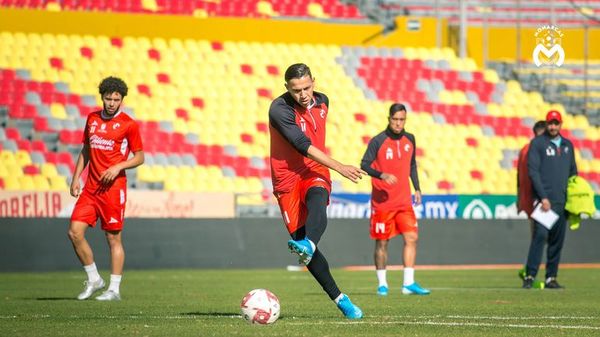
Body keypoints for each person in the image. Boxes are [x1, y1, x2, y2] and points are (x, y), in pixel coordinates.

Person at [269, 63, 365, 319]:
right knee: (303, 245)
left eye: (306, 87)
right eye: (296, 89)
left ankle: (309, 244)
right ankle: (340, 298)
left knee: (318, 198)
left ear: (314, 82)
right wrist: (340, 167)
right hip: (286, 180)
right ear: (286, 88)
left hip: (314, 169)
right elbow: (301, 143)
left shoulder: (323, 102)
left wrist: (331, 168)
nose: (302, 94)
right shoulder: (278, 109)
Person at [68, 76, 144, 301]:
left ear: (122, 100)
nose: (111, 103)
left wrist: (119, 165)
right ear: (102, 97)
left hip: (113, 189)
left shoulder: (129, 124)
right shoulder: (91, 119)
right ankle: (93, 278)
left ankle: (114, 289)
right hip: (90, 188)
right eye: (108, 98)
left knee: (113, 239)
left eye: (116, 99)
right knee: (74, 232)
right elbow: (86, 150)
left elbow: (140, 157)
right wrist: (75, 178)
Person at [360, 103, 429, 296]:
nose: (398, 123)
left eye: (402, 120)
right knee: (382, 242)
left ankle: (408, 283)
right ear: (389, 118)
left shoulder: (410, 139)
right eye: (395, 119)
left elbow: (412, 165)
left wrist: (417, 188)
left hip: (404, 202)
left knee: (412, 238)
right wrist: (381, 175)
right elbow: (364, 165)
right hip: (383, 203)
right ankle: (382, 284)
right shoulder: (378, 141)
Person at [523, 110, 577, 289]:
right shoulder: (538, 143)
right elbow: (533, 172)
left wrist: (573, 200)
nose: (553, 126)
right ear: (546, 124)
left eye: (556, 123)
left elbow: (572, 173)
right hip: (544, 202)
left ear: (561, 124)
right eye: (550, 123)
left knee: (557, 241)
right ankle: (530, 275)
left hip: (562, 201)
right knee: (540, 237)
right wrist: (543, 197)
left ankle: (551, 277)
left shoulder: (568, 145)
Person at [516, 120, 546, 281]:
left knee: (537, 236)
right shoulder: (537, 150)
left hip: (528, 199)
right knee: (540, 236)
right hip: (538, 199)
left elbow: (518, 176)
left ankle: (529, 270)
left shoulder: (524, 149)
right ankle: (529, 272)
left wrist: (518, 197)